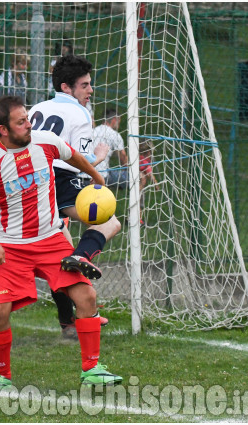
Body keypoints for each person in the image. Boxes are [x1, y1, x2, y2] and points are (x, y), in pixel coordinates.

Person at [0, 95, 122, 392]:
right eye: (21, 122)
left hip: (51, 240)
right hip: (10, 246)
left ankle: (92, 369)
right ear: (3, 130)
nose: (29, 125)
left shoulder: (45, 141)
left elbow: (73, 155)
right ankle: (1, 377)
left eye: (28, 118)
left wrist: (96, 178)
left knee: (86, 297)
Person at [0, 154, 104, 344]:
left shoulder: (35, 154)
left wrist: (94, 165)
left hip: (34, 227)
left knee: (59, 275)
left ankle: (68, 324)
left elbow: (69, 162)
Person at [28, 55, 121, 282]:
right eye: (85, 85)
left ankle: (75, 315)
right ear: (66, 87)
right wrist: (98, 157)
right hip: (58, 179)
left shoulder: (36, 108)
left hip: (29, 181)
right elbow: (77, 160)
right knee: (110, 222)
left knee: (63, 256)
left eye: (90, 83)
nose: (91, 89)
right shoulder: (80, 113)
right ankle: (83, 255)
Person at [89, 108, 128, 188]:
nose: (118, 125)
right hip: (102, 175)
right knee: (139, 177)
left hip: (87, 172)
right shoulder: (114, 135)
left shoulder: (93, 131)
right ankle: (138, 199)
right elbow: (123, 159)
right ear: (114, 120)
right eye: (119, 121)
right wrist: (129, 169)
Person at [139, 142, 159, 225]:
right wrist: (156, 184)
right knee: (139, 202)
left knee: (138, 202)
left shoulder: (140, 158)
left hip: (137, 184)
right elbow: (149, 173)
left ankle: (132, 218)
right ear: (148, 152)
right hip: (138, 185)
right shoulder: (144, 160)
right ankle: (138, 220)